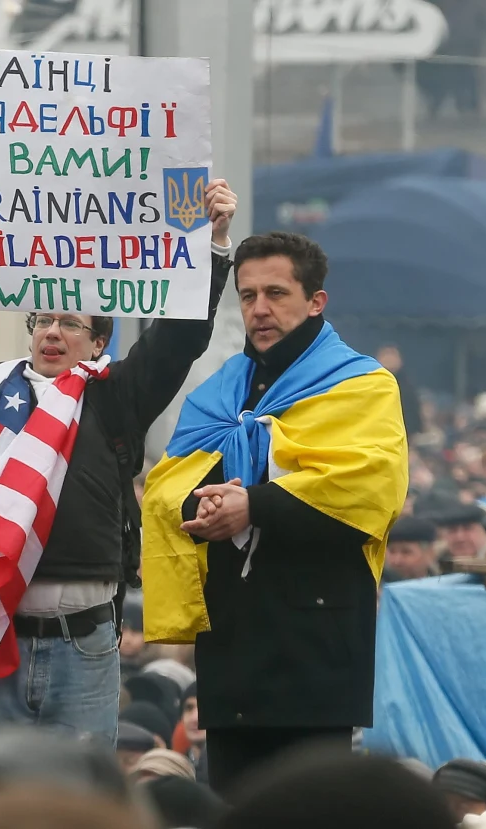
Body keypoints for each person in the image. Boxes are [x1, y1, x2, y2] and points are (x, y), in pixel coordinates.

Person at [0, 162, 238, 741]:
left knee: (78, 797)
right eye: (43, 320)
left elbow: (178, 335)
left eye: (70, 323)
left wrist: (212, 242)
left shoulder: (117, 400)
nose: (52, 332)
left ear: (99, 343)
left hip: (85, 641)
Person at [141, 231, 410, 794]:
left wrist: (252, 505)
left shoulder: (363, 384)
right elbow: (170, 482)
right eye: (247, 295)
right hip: (231, 651)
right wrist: (203, 502)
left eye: (276, 293)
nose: (259, 309)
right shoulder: (217, 391)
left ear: (316, 301)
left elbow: (368, 491)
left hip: (316, 649)